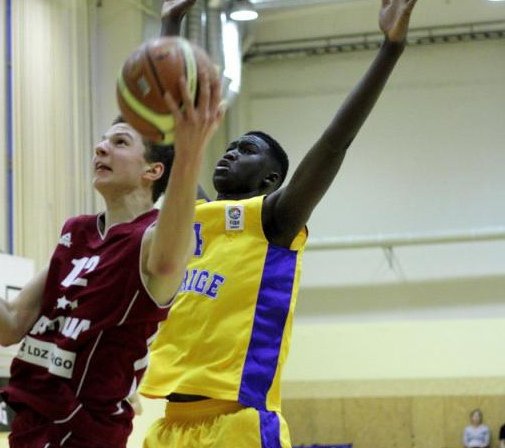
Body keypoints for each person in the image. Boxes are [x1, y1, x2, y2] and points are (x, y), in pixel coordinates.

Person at [139, 1, 420, 447]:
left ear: (270, 179)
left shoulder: (273, 221)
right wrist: (169, 23)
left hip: (238, 422)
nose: (230, 152)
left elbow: (335, 143)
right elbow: (168, 124)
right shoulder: (190, 217)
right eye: (230, 146)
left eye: (246, 149)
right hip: (170, 422)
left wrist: (391, 48)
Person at [0, 71, 223, 445]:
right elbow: (9, 325)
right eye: (102, 142)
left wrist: (189, 151)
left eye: (119, 143)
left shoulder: (152, 239)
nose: (100, 149)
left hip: (86, 431)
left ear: (152, 171)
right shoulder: (76, 233)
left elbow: (170, 261)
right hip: (30, 425)